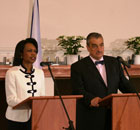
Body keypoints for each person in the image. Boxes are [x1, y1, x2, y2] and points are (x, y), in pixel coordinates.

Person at [71, 32, 135, 130]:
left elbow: (124, 85)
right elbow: (77, 90)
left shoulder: (115, 63)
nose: (99, 49)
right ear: (87, 47)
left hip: (113, 117)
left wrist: (136, 96)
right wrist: (91, 99)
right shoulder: (78, 67)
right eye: (95, 46)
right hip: (91, 118)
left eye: (101, 45)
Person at [5, 38, 46, 130]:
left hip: (36, 118)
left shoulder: (40, 73)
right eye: (29, 51)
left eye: (35, 51)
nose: (33, 54)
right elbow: (11, 100)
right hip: (16, 119)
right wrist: (30, 103)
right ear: (21, 54)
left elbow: (42, 96)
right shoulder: (12, 72)